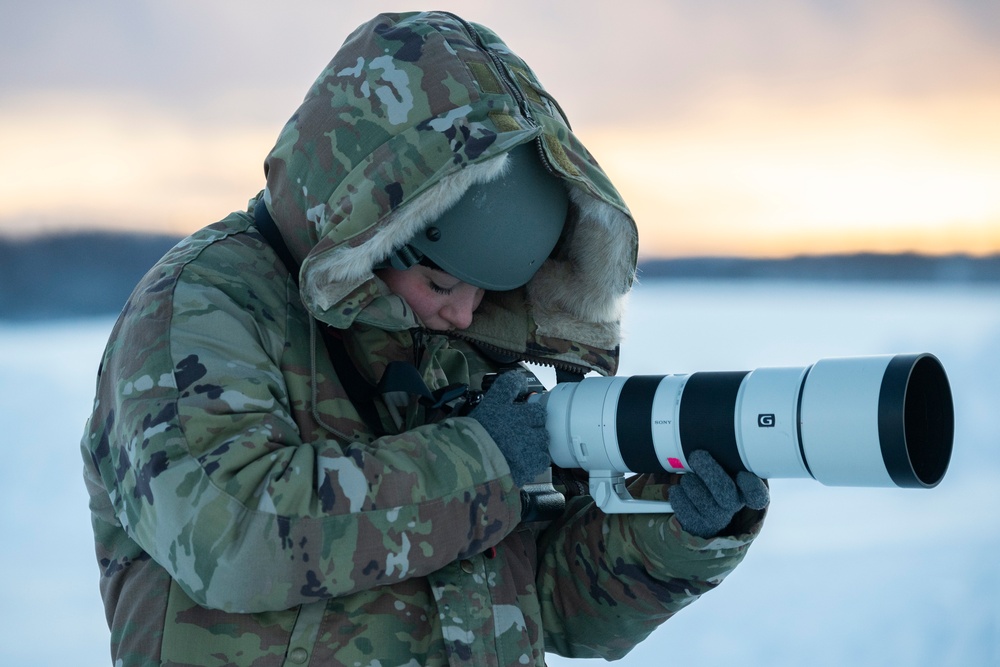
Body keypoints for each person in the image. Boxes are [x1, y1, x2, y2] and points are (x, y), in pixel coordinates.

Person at [82, 11, 768, 666]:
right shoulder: (205, 306)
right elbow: (231, 536)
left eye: (487, 291)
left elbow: (549, 604)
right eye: (443, 284)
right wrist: (482, 460)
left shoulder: (446, 353)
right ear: (375, 231)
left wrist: (676, 529)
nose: (465, 316)